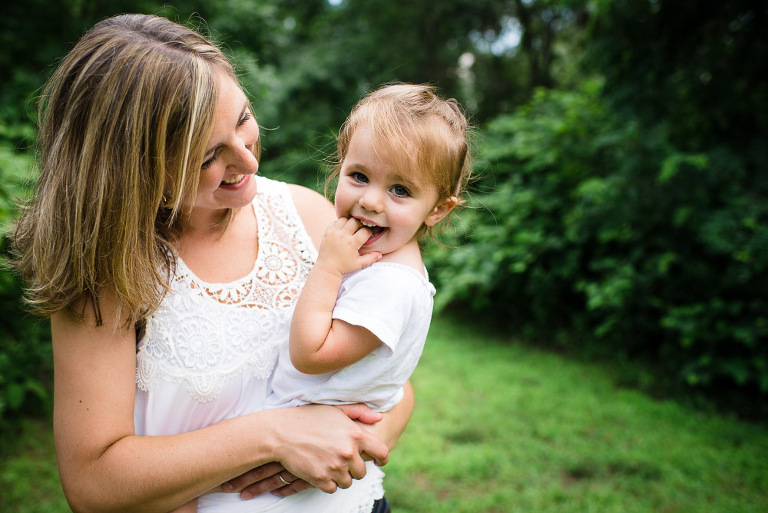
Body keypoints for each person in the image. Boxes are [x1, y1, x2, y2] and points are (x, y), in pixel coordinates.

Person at [10, 13, 413, 513]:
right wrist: (272, 437)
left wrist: (350, 445)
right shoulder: (105, 274)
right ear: (133, 170)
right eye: (206, 158)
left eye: (243, 120)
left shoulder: (308, 215)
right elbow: (93, 483)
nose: (249, 163)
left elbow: (394, 377)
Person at [265, 84, 471, 506]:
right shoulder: (378, 262)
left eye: (400, 190)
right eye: (359, 176)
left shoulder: (392, 285)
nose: (372, 201)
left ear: (437, 209)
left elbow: (311, 354)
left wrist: (326, 268)